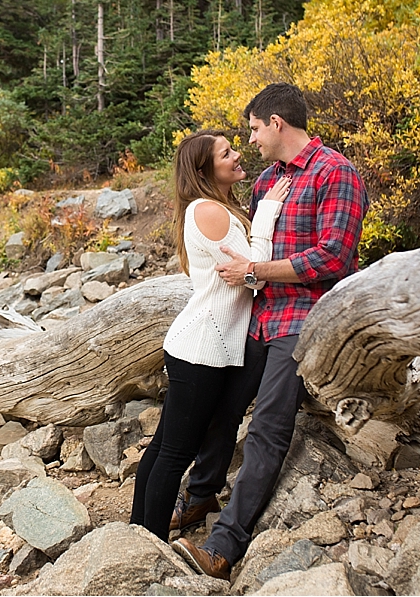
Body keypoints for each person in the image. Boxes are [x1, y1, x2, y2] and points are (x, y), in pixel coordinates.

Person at [171, 83, 369, 580]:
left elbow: (333, 257)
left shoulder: (335, 172)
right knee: (221, 409)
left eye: (255, 129)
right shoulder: (268, 183)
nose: (252, 140)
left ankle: (224, 545)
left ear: (276, 123)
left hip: (304, 320)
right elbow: (238, 238)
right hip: (256, 317)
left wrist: (258, 270)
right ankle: (199, 497)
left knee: (267, 428)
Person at [130, 129, 291, 543]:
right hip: (200, 351)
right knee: (175, 454)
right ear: (205, 169)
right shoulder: (209, 211)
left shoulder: (213, 207)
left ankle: (137, 533)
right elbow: (253, 272)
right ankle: (148, 545)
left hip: (198, 346)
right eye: (226, 152)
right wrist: (269, 212)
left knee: (165, 445)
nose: (238, 155)